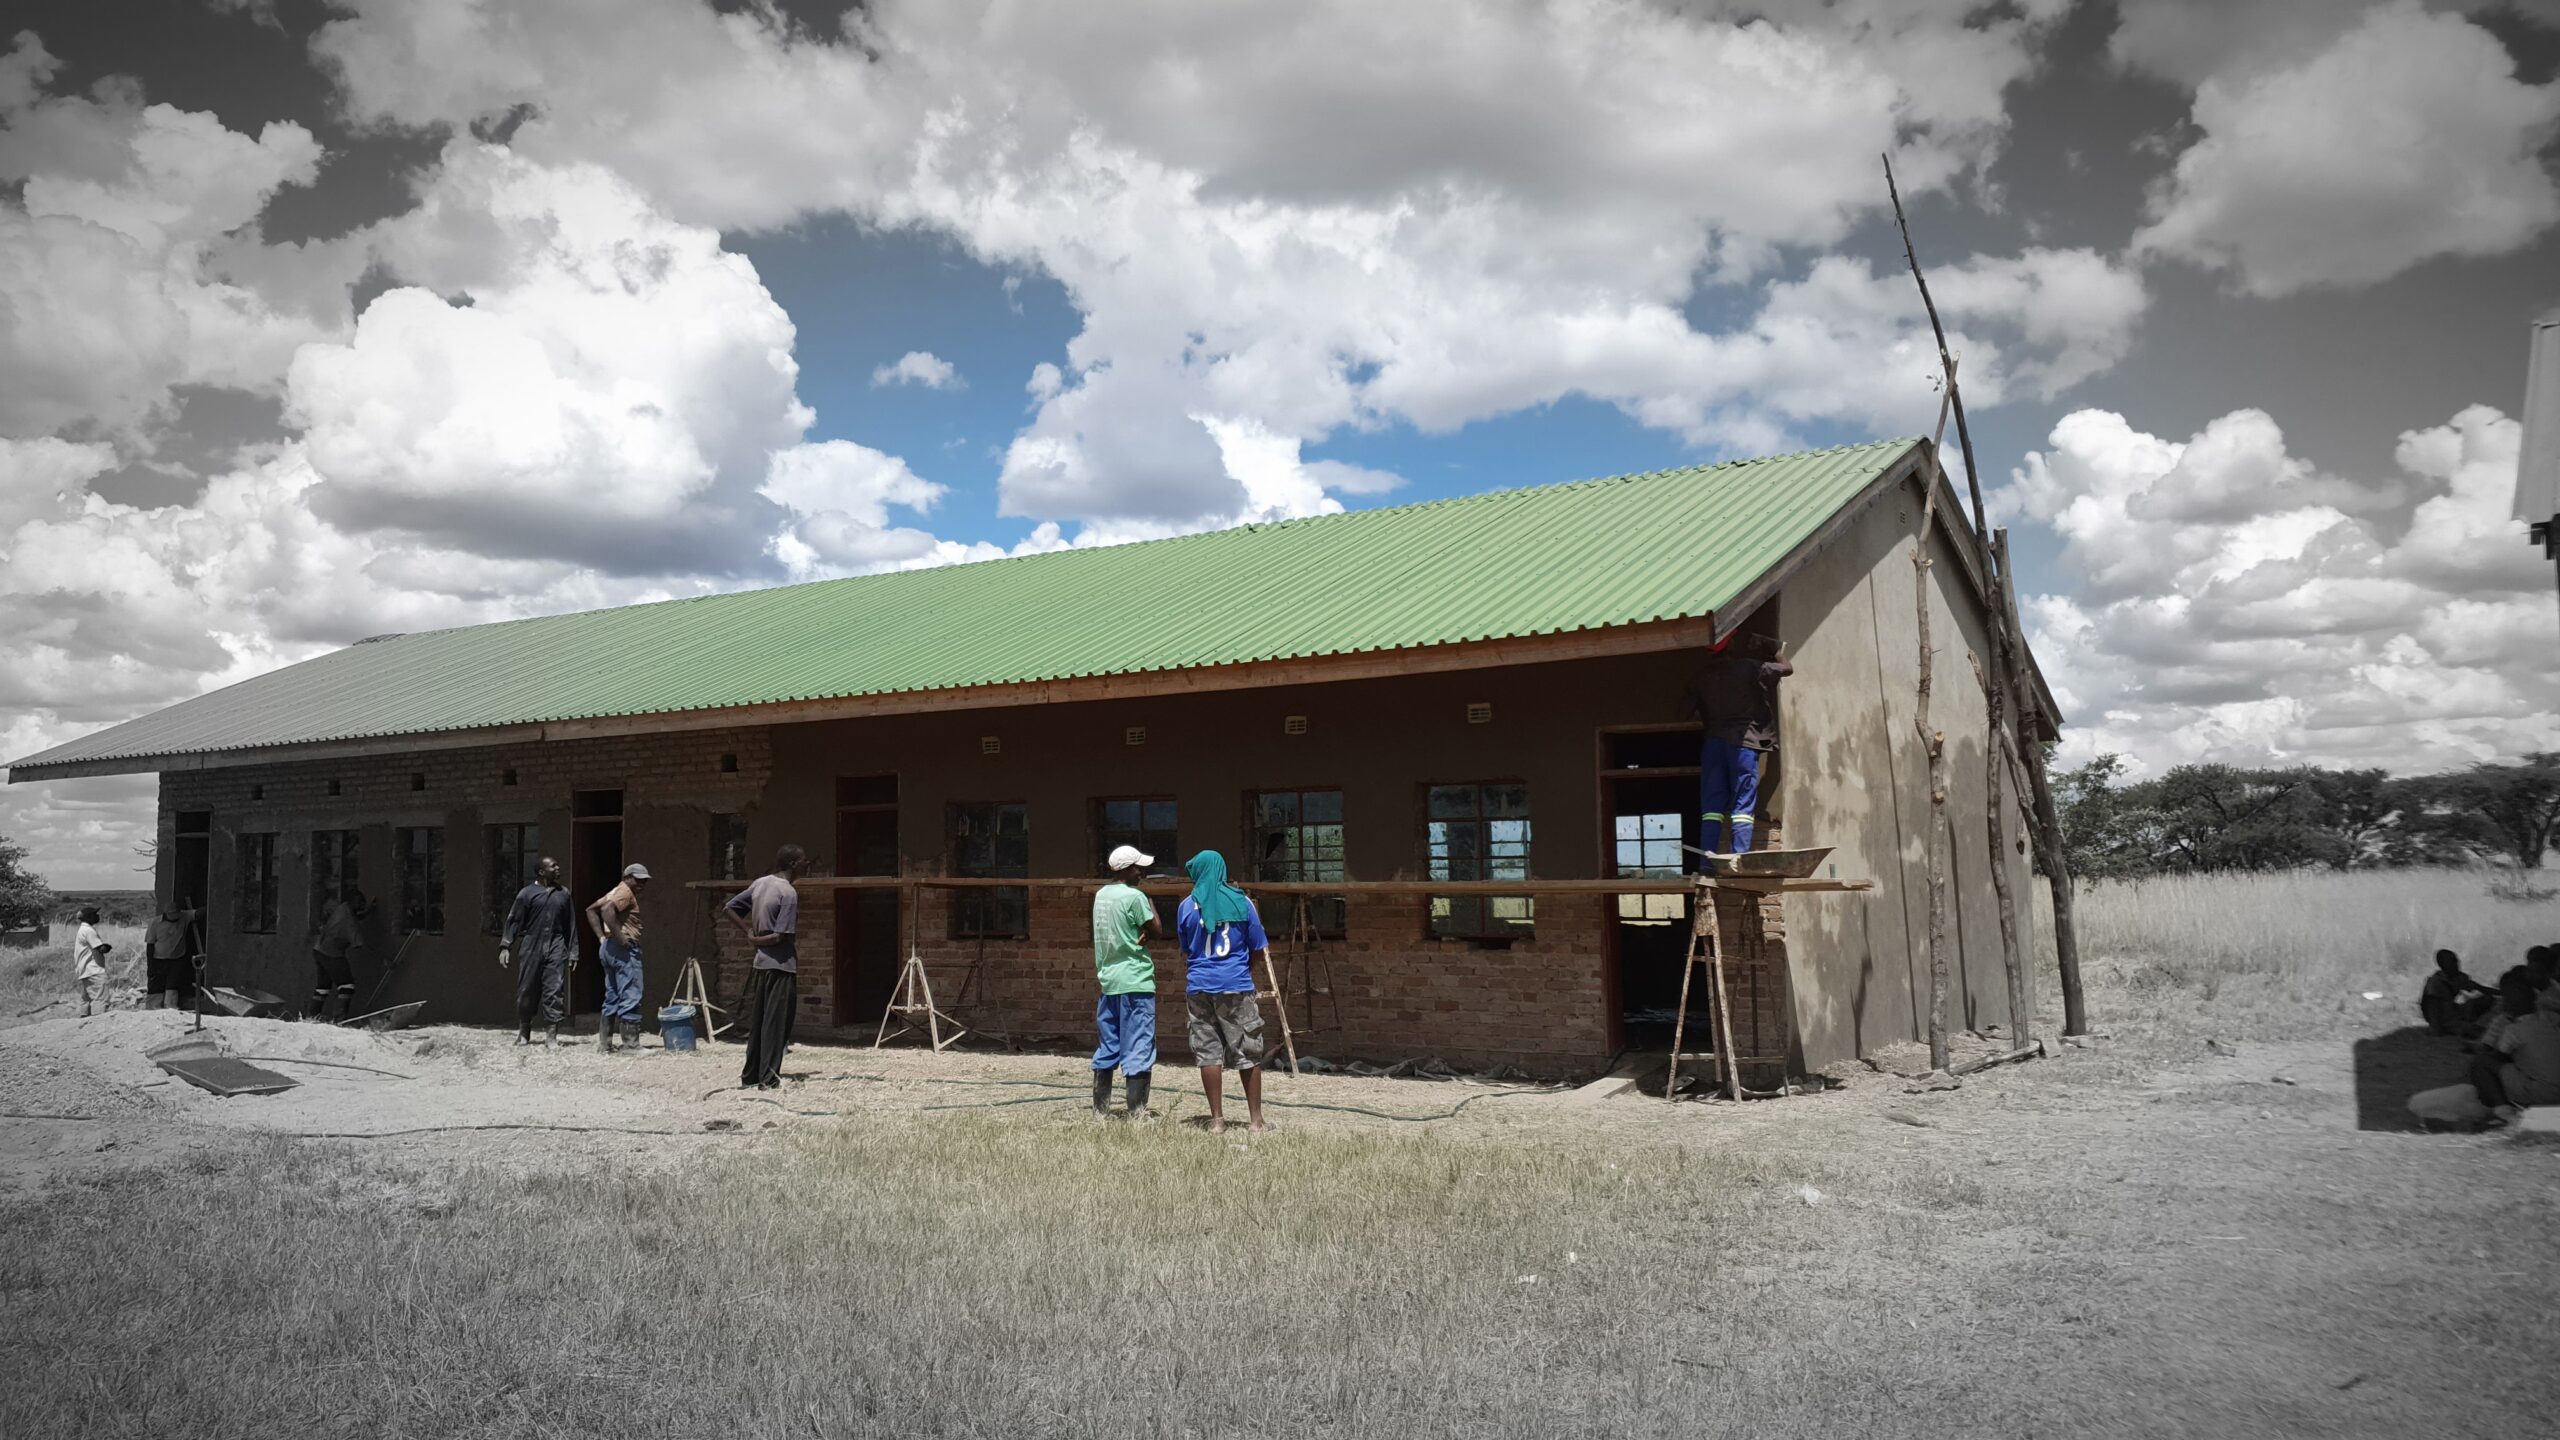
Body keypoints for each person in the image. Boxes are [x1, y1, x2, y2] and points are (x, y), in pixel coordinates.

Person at [1177, 849, 1271, 1134]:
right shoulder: (1242, 902)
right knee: (1248, 1049)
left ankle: (1217, 1120)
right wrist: (1242, 970)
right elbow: (1258, 947)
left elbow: (1186, 949)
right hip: (1236, 985)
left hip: (1199, 986)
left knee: (1208, 1051)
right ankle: (1256, 1120)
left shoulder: (1186, 906)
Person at [1686, 632, 1792, 863]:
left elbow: (1684, 712)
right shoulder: (1749, 667)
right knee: (1743, 803)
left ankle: (1707, 863)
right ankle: (1738, 859)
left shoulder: (1701, 676)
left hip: (1713, 745)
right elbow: (1786, 669)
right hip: (1742, 744)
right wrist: (1774, 648)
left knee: (1712, 808)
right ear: (1731, 644)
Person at [725, 845, 807, 1091]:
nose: (807, 865)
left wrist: (749, 932)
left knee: (760, 1021)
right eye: (804, 861)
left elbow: (729, 908)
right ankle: (769, 1080)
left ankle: (750, 1076)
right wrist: (756, 939)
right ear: (793, 864)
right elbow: (780, 936)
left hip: (761, 964)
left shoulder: (760, 884)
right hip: (781, 965)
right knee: (776, 1024)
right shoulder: (788, 892)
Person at [1092, 844, 1164, 1118]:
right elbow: (1157, 930)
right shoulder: (1135, 897)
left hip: (1109, 980)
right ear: (1127, 869)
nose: (1141, 873)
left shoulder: (1101, 895)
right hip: (1135, 980)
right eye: (1138, 868)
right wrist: (1148, 900)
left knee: (1108, 1044)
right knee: (1139, 1044)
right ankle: (1136, 1111)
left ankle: (1100, 1111)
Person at [499, 857, 577, 1047]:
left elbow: (571, 925)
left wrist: (573, 952)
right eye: (553, 866)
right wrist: (505, 946)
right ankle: (524, 1031)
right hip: (532, 945)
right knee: (527, 989)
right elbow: (514, 920)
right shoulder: (527, 894)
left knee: (554, 990)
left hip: (556, 945)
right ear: (541, 872)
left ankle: (551, 1036)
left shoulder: (563, 894)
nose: (557, 868)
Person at [2472, 968, 2560, 1122]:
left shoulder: (2513, 1030)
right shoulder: (2552, 1018)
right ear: (2535, 1000)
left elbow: (2496, 1057)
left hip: (2544, 1094)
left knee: (2482, 1063)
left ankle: (2504, 1111)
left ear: (2506, 1006)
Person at [586, 863, 652, 1054]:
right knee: (631, 992)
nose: (642, 884)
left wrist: (602, 937)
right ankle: (631, 1045)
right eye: (638, 880)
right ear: (627, 877)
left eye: (644, 881)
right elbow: (607, 910)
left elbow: (591, 910)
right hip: (623, 950)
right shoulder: (625, 892)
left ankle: (605, 1044)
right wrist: (621, 937)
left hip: (609, 948)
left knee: (612, 995)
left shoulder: (614, 891)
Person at [310, 888, 366, 1022]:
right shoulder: (350, 921)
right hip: (332, 953)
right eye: (359, 903)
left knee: (323, 987)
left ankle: (311, 1017)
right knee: (347, 986)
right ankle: (339, 1019)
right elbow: (359, 944)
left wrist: (367, 913)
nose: (361, 906)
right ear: (353, 902)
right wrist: (384, 958)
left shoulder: (342, 908)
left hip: (319, 949)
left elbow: (353, 917)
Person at [142, 897, 202, 1012]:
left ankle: (171, 1010)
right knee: (156, 987)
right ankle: (152, 1011)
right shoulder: (154, 923)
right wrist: (150, 965)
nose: (177, 916)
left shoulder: (184, 917)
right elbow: (150, 945)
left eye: (178, 913)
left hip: (176, 959)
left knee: (172, 986)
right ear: (167, 914)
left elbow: (198, 913)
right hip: (158, 959)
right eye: (174, 914)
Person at [2419, 949, 2494, 1035]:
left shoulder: (2457, 977)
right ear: (2443, 965)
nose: (2457, 964)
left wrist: (2502, 992)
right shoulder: (2435, 983)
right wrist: (2436, 1028)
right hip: (2443, 1019)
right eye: (2452, 962)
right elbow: (2431, 1008)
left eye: (2456, 960)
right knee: (2477, 1031)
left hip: (2454, 1011)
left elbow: (2479, 988)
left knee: (2486, 999)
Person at [72, 905, 112, 1017]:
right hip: (94, 970)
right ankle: (98, 1020)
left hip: (85, 969)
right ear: (88, 917)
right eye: (94, 914)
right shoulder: (89, 930)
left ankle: (84, 1018)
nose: (97, 916)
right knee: (100, 997)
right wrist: (107, 947)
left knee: (86, 998)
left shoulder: (82, 930)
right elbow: (100, 948)